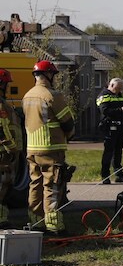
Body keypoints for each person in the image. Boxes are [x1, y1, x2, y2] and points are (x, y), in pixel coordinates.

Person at [23, 60, 75, 234]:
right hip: (51, 147)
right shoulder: (52, 95)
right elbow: (67, 122)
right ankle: (53, 226)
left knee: (35, 184)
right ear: (48, 75)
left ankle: (35, 222)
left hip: (31, 148)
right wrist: (70, 135)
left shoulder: (27, 95)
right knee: (52, 185)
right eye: (53, 74)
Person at [96, 78, 123, 184]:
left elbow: (122, 108)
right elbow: (105, 111)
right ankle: (105, 175)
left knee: (118, 152)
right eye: (117, 88)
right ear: (111, 85)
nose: (119, 90)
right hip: (109, 127)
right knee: (108, 152)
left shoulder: (120, 95)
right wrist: (121, 110)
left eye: (120, 88)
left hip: (120, 127)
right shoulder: (104, 96)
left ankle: (119, 175)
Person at [0, 69, 23, 225]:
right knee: (2, 187)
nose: (8, 87)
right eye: (6, 84)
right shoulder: (1, 104)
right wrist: (12, 148)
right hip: (4, 153)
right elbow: (2, 129)